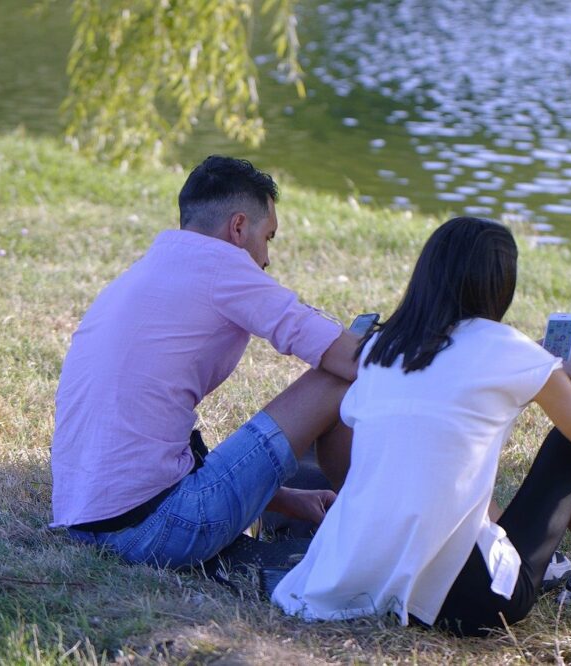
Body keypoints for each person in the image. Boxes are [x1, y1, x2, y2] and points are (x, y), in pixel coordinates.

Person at [272, 216, 571, 636]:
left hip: (356, 577)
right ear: (501, 286)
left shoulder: (379, 349)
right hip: (471, 601)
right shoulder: (511, 349)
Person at [50, 156, 361, 570]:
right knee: (335, 381)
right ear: (237, 228)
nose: (267, 258)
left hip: (88, 523)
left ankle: (349, 520)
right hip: (151, 532)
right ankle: (363, 530)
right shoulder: (223, 264)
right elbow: (347, 359)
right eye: (268, 237)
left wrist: (286, 500)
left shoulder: (149, 269)